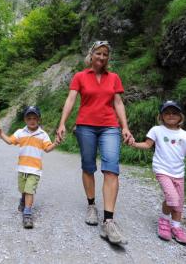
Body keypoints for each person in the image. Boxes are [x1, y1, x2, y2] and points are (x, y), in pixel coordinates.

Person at [56, 40, 133, 245]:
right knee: (88, 166)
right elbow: (71, 100)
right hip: (85, 126)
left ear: (108, 57)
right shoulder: (80, 76)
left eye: (105, 54)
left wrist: (124, 127)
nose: (101, 57)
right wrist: (62, 123)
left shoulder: (114, 78)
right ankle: (91, 205)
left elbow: (118, 103)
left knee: (111, 169)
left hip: (110, 127)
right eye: (98, 53)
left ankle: (108, 221)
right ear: (91, 55)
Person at [129, 100, 186, 244]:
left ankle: (177, 227)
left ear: (180, 116)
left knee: (178, 203)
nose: (171, 115)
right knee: (172, 198)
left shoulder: (184, 134)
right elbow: (148, 145)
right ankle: (164, 220)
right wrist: (134, 144)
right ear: (161, 116)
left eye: (174, 113)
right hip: (162, 170)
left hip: (178, 173)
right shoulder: (156, 130)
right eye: (167, 113)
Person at [0, 106, 56, 229]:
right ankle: (23, 200)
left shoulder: (42, 134)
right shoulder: (20, 132)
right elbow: (9, 141)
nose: (32, 120)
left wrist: (56, 143)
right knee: (23, 189)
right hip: (22, 168)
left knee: (29, 190)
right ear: (25, 119)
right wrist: (0, 133)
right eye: (29, 118)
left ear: (39, 119)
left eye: (34, 118)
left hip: (35, 170)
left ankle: (27, 213)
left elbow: (47, 148)